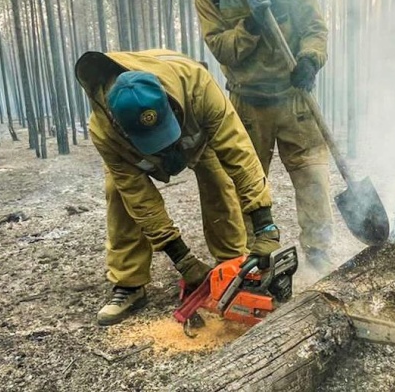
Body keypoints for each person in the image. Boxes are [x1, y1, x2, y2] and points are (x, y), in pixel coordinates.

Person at [74, 49, 282, 326]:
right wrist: (182, 259)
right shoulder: (103, 131)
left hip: (198, 140)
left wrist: (264, 223)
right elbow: (141, 199)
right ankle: (129, 283)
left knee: (218, 180)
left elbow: (239, 154)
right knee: (120, 194)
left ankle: (230, 265)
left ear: (169, 104)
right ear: (121, 127)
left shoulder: (197, 84)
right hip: (134, 164)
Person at [194, 0, 334, 273]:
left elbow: (314, 26)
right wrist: (252, 25)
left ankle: (320, 261)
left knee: (313, 181)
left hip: (294, 98)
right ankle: (246, 266)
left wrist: (310, 59)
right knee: (244, 188)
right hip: (248, 105)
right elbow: (222, 49)